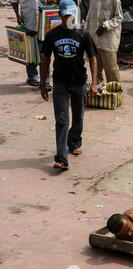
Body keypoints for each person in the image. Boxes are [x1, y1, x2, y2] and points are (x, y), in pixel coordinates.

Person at [40, 0, 98, 170]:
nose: (68, 18)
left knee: (78, 117)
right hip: (60, 83)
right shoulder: (52, 35)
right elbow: (45, 60)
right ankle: (61, 158)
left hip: (79, 82)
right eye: (65, 15)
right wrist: (43, 84)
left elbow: (93, 58)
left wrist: (94, 83)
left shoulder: (84, 34)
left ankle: (74, 142)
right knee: (62, 120)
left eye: (71, 15)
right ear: (60, 15)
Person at [11, 0, 53, 90]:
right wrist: (17, 16)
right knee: (30, 51)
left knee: (44, 53)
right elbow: (14, 2)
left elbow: (53, 2)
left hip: (44, 23)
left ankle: (45, 81)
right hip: (27, 22)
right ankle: (32, 77)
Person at [85, 0, 122, 85]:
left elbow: (118, 18)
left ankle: (115, 93)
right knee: (96, 71)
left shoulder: (115, 1)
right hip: (94, 40)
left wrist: (105, 26)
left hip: (108, 41)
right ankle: (99, 92)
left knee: (111, 71)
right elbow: (89, 17)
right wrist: (86, 33)